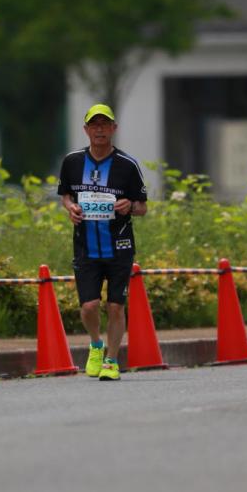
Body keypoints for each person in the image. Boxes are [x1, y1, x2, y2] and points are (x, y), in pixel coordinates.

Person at [57, 103, 147, 381]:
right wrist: (70, 208)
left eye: (104, 124)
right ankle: (96, 344)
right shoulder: (72, 162)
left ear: (113, 129)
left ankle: (111, 359)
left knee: (116, 306)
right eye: (94, 125)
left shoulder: (127, 165)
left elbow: (143, 207)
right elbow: (66, 196)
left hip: (119, 246)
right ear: (85, 130)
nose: (99, 129)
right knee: (89, 306)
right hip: (86, 246)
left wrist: (128, 206)